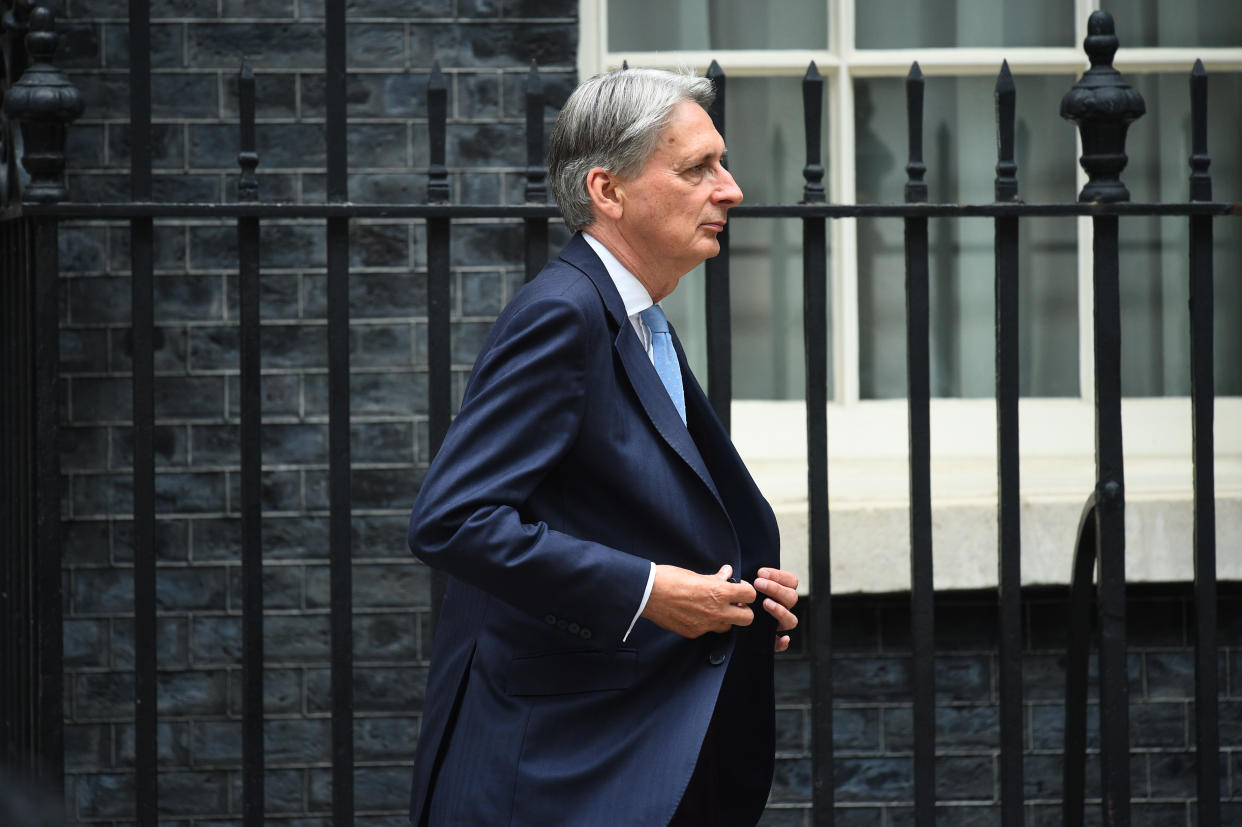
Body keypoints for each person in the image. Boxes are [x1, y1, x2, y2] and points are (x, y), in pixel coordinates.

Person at [406, 67, 799, 826]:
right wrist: (652, 593)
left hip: (639, 750)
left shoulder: (639, 318)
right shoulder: (562, 314)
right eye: (697, 169)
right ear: (607, 191)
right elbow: (453, 518)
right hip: (560, 771)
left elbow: (619, 504)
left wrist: (739, 592)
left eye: (721, 163)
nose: (731, 189)